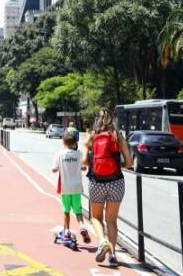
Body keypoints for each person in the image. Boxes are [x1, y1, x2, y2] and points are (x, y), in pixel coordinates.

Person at [82, 108, 132, 268]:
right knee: (111, 220)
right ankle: (112, 255)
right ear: (112, 120)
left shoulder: (91, 136)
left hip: (97, 181)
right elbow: (130, 163)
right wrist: (118, 165)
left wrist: (96, 164)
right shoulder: (118, 137)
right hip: (116, 181)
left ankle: (102, 241)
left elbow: (84, 160)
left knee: (95, 217)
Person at [52, 131, 91, 245]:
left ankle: (67, 231)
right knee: (78, 211)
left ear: (64, 142)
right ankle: (82, 226)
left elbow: (53, 169)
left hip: (65, 187)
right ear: (75, 143)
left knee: (66, 210)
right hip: (76, 187)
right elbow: (84, 168)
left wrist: (59, 168)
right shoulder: (79, 154)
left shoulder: (59, 154)